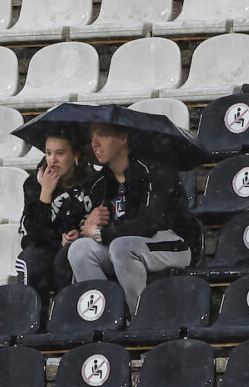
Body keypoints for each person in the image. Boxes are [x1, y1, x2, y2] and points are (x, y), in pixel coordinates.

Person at [68, 122, 200, 315]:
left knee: (122, 247)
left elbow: (148, 225)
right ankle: (107, 316)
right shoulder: (101, 182)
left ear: (123, 139)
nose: (94, 143)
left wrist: (98, 233)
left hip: (175, 243)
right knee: (79, 250)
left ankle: (139, 317)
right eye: (92, 137)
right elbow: (95, 227)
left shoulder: (156, 171)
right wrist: (89, 223)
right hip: (125, 244)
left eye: (102, 135)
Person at [15, 131, 94, 298]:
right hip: (44, 251)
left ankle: (64, 316)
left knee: (67, 257)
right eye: (48, 153)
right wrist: (45, 193)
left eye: (60, 153)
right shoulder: (34, 184)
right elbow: (34, 236)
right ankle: (32, 319)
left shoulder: (92, 183)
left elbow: (96, 220)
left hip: (75, 250)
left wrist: (78, 235)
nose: (52, 159)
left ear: (75, 156)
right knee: (31, 259)